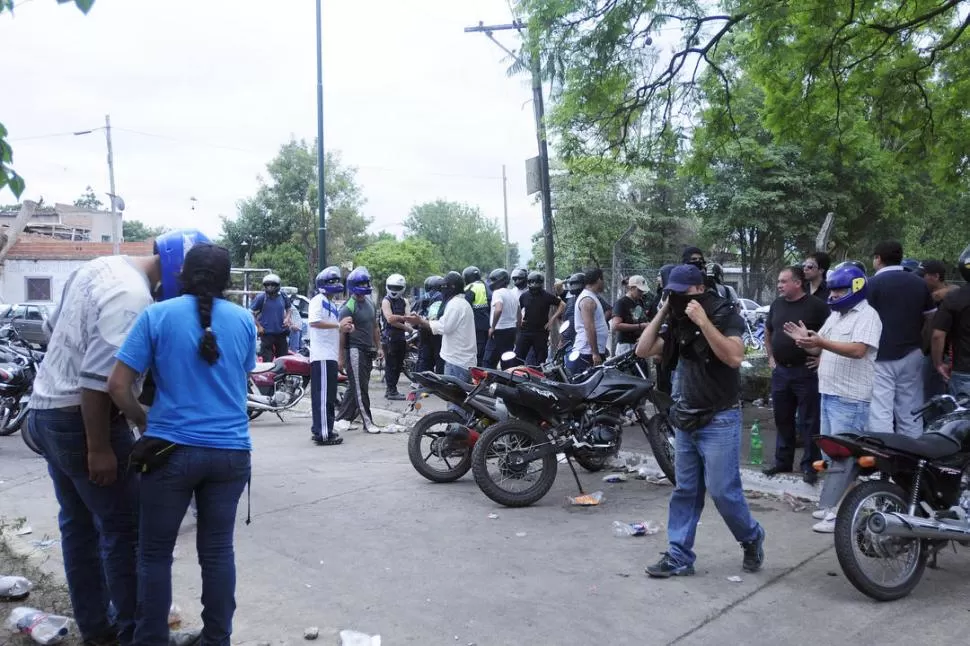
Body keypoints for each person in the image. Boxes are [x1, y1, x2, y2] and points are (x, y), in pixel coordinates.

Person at [27, 228, 208, 646]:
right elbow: (99, 384)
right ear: (180, 272)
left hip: (46, 409)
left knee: (78, 525)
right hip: (82, 419)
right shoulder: (134, 300)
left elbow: (56, 332)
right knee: (128, 532)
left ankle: (99, 629)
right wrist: (102, 445)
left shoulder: (99, 266)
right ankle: (137, 635)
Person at [106, 244, 253, 646]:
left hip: (169, 451)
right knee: (218, 551)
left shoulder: (156, 315)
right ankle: (216, 638)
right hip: (231, 452)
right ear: (226, 281)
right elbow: (241, 375)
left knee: (154, 553)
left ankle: (150, 638)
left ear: (182, 275)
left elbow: (117, 386)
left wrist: (142, 420)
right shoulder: (244, 321)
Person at [635, 264, 765, 578]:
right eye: (671, 292)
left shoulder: (724, 313)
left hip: (719, 418)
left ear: (697, 289)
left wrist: (703, 321)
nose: (676, 297)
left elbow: (734, 357)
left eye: (680, 292)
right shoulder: (677, 319)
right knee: (685, 491)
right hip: (685, 417)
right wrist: (665, 310)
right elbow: (643, 349)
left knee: (723, 492)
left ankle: (751, 537)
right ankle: (679, 555)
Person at [784, 263, 882, 533]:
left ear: (856, 288)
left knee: (847, 459)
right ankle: (834, 506)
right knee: (833, 456)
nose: (835, 295)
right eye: (834, 290)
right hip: (829, 394)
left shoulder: (867, 316)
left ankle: (843, 514)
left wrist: (822, 343)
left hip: (850, 398)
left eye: (840, 290)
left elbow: (858, 350)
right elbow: (819, 349)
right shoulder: (836, 316)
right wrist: (805, 341)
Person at [761, 266, 829, 484]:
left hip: (806, 371)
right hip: (781, 371)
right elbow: (768, 331)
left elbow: (830, 335)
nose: (779, 285)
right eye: (779, 281)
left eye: (783, 281)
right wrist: (771, 357)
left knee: (810, 421)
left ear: (798, 283)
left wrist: (822, 358)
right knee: (782, 417)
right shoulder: (777, 304)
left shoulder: (816, 306)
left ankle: (810, 466)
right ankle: (783, 461)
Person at [867, 241, 935, 437]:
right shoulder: (919, 283)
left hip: (880, 355)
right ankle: (913, 460)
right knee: (911, 410)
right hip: (912, 353)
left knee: (881, 410)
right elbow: (930, 317)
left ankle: (886, 459)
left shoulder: (870, 284)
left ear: (878, 259)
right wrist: (923, 346)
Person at [407, 271, 477, 410]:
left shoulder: (456, 304)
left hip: (457, 360)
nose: (442, 291)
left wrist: (420, 321)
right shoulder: (461, 303)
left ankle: (456, 428)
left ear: (451, 287)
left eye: (444, 287)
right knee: (460, 400)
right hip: (461, 359)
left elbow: (444, 327)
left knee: (455, 403)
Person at [308, 267, 352, 445]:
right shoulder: (318, 300)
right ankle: (324, 433)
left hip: (329, 355)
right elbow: (315, 322)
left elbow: (333, 326)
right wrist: (337, 325)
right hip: (322, 355)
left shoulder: (331, 304)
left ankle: (320, 428)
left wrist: (343, 327)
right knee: (324, 397)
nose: (335, 285)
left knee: (325, 395)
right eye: (331, 282)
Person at [337, 267, 383, 434]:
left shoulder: (370, 303)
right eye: (361, 283)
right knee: (360, 388)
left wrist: (379, 347)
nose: (364, 286)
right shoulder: (348, 307)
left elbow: (375, 327)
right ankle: (368, 422)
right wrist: (341, 358)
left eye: (366, 283)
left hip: (368, 349)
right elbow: (342, 334)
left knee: (355, 387)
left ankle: (342, 418)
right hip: (354, 350)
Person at [932, 245, 970, 398]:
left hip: (964, 371)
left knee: (963, 419)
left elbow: (937, 335)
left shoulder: (953, 299)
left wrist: (938, 363)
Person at [921, 260, 958, 398]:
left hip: (944, 354)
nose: (921, 279)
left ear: (936, 276)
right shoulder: (926, 294)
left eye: (924, 275)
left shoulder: (952, 296)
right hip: (927, 353)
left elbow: (938, 335)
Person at [514, 271, 563, 365]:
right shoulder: (524, 296)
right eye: (532, 283)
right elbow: (519, 309)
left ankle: (539, 376)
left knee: (541, 360)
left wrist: (552, 320)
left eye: (536, 284)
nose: (534, 287)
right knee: (518, 357)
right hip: (525, 331)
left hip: (541, 332)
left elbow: (562, 304)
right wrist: (520, 320)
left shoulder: (546, 296)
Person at [570, 267, 609, 373]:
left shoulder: (592, 297)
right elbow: (589, 327)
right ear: (598, 280)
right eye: (603, 280)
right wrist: (595, 353)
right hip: (587, 353)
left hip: (591, 352)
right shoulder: (587, 300)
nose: (604, 283)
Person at [380, 273, 411, 401]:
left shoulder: (404, 301)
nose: (394, 290)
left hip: (400, 338)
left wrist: (407, 323)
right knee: (391, 364)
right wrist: (405, 323)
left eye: (397, 288)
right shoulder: (386, 300)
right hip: (390, 337)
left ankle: (392, 390)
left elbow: (409, 318)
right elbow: (390, 319)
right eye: (392, 287)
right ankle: (391, 390)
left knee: (398, 365)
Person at [250, 273, 291, 361]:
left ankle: (282, 375)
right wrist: (259, 326)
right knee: (267, 360)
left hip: (281, 332)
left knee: (283, 360)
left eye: (273, 284)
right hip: (266, 333)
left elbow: (289, 308)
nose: (270, 287)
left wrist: (287, 318)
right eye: (267, 284)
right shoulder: (261, 297)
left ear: (278, 285)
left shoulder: (283, 296)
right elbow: (250, 313)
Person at [483, 268, 519, 368]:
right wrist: (517, 330)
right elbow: (519, 313)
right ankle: (507, 382)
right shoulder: (512, 293)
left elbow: (498, 309)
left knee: (488, 361)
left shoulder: (497, 293)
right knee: (507, 360)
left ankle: (487, 382)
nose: (492, 283)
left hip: (499, 330)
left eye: (494, 280)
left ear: (500, 280)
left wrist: (493, 327)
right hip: (511, 330)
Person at [612, 275, 652, 355]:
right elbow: (616, 325)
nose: (641, 293)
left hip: (639, 343)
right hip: (626, 345)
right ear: (631, 288)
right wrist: (640, 326)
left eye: (642, 291)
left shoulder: (639, 302)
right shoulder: (621, 303)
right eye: (639, 290)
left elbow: (638, 318)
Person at [415, 275, 444, 374]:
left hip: (423, 331)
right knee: (440, 359)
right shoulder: (443, 297)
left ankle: (423, 384)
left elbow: (414, 313)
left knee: (424, 359)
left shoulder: (422, 297)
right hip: (438, 331)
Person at [462, 266, 491, 366]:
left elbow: (464, 306)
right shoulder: (486, 285)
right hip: (487, 323)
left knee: (476, 352)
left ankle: (477, 375)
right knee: (484, 351)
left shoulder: (471, 288)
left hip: (475, 324)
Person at [559, 273, 585, 352]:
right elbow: (565, 322)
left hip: (582, 339)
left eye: (576, 284)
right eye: (572, 284)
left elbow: (608, 311)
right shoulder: (570, 300)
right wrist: (561, 340)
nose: (574, 286)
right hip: (568, 339)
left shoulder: (590, 297)